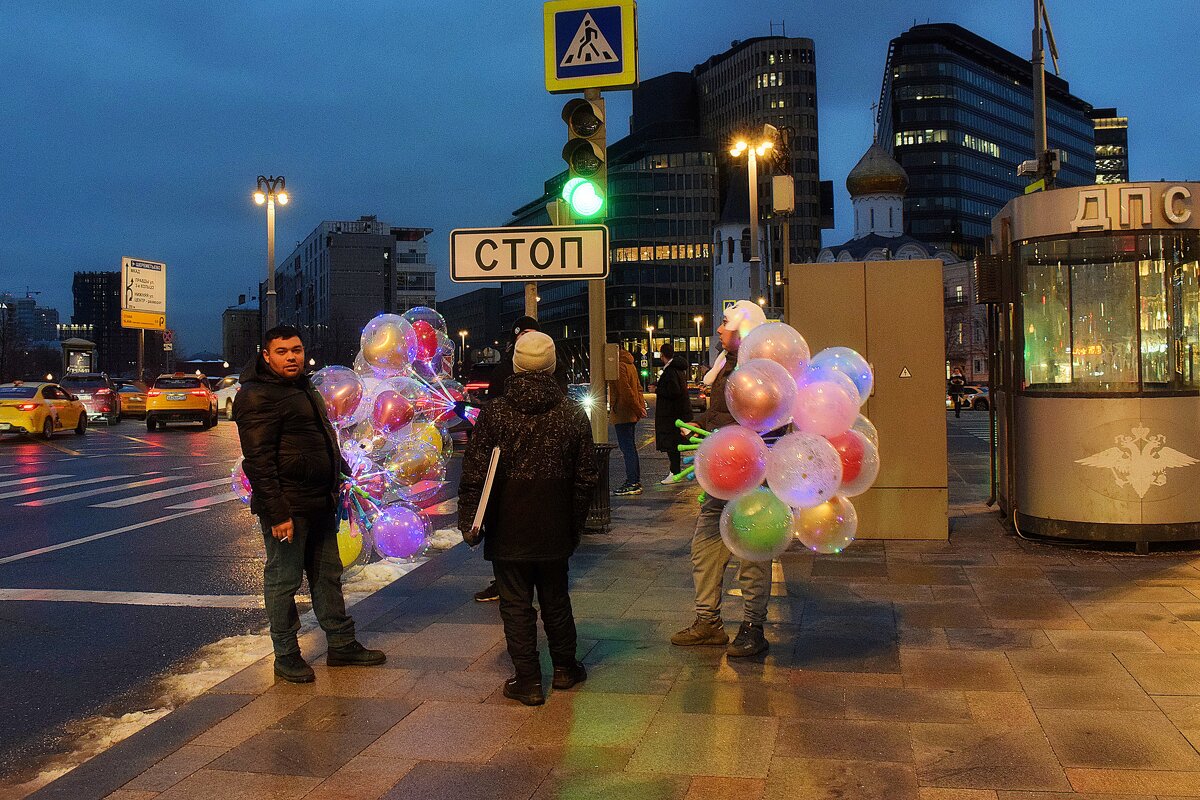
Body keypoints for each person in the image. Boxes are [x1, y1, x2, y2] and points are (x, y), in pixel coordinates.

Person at [233, 325, 386, 683]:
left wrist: (341, 471)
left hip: (319, 501)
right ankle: (286, 655)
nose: (292, 357)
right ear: (266, 355)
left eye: (297, 350)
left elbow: (319, 437)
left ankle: (342, 644)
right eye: (283, 351)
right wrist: (277, 512)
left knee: (327, 576)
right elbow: (258, 460)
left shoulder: (303, 387)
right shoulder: (256, 395)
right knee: (283, 581)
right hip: (289, 506)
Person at [458, 331, 598, 706]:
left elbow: (474, 471)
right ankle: (566, 668)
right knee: (556, 597)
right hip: (554, 521)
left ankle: (529, 679)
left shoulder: (496, 412)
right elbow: (587, 474)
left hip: (508, 522)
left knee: (515, 602)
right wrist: (574, 519)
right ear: (552, 365)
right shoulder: (570, 412)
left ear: (516, 364)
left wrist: (470, 521)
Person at [671, 300, 773, 659]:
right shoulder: (727, 364)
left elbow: (761, 421)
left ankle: (752, 626)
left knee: (752, 551)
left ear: (743, 329)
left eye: (724, 324)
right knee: (706, 546)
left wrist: (715, 431)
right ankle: (708, 622)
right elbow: (724, 416)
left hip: (753, 477)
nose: (718, 329)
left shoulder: (760, 370)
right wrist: (704, 426)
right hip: (723, 474)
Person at [474, 315, 569, 604]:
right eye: (521, 335)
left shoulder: (558, 375)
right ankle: (504, 581)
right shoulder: (504, 372)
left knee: (552, 600)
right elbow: (478, 461)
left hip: (548, 475)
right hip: (511, 473)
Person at [609, 345, 647, 496]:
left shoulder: (618, 366)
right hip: (631, 412)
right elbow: (638, 388)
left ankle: (632, 481)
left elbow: (626, 391)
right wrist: (640, 407)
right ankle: (634, 480)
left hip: (623, 412)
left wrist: (638, 409)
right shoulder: (630, 364)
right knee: (630, 447)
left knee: (627, 449)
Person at [654, 342, 692, 484]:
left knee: (672, 445)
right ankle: (674, 471)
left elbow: (673, 391)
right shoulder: (678, 370)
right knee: (675, 444)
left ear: (662, 355)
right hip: (678, 414)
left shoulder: (670, 371)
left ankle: (674, 472)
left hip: (671, 416)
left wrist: (657, 389)